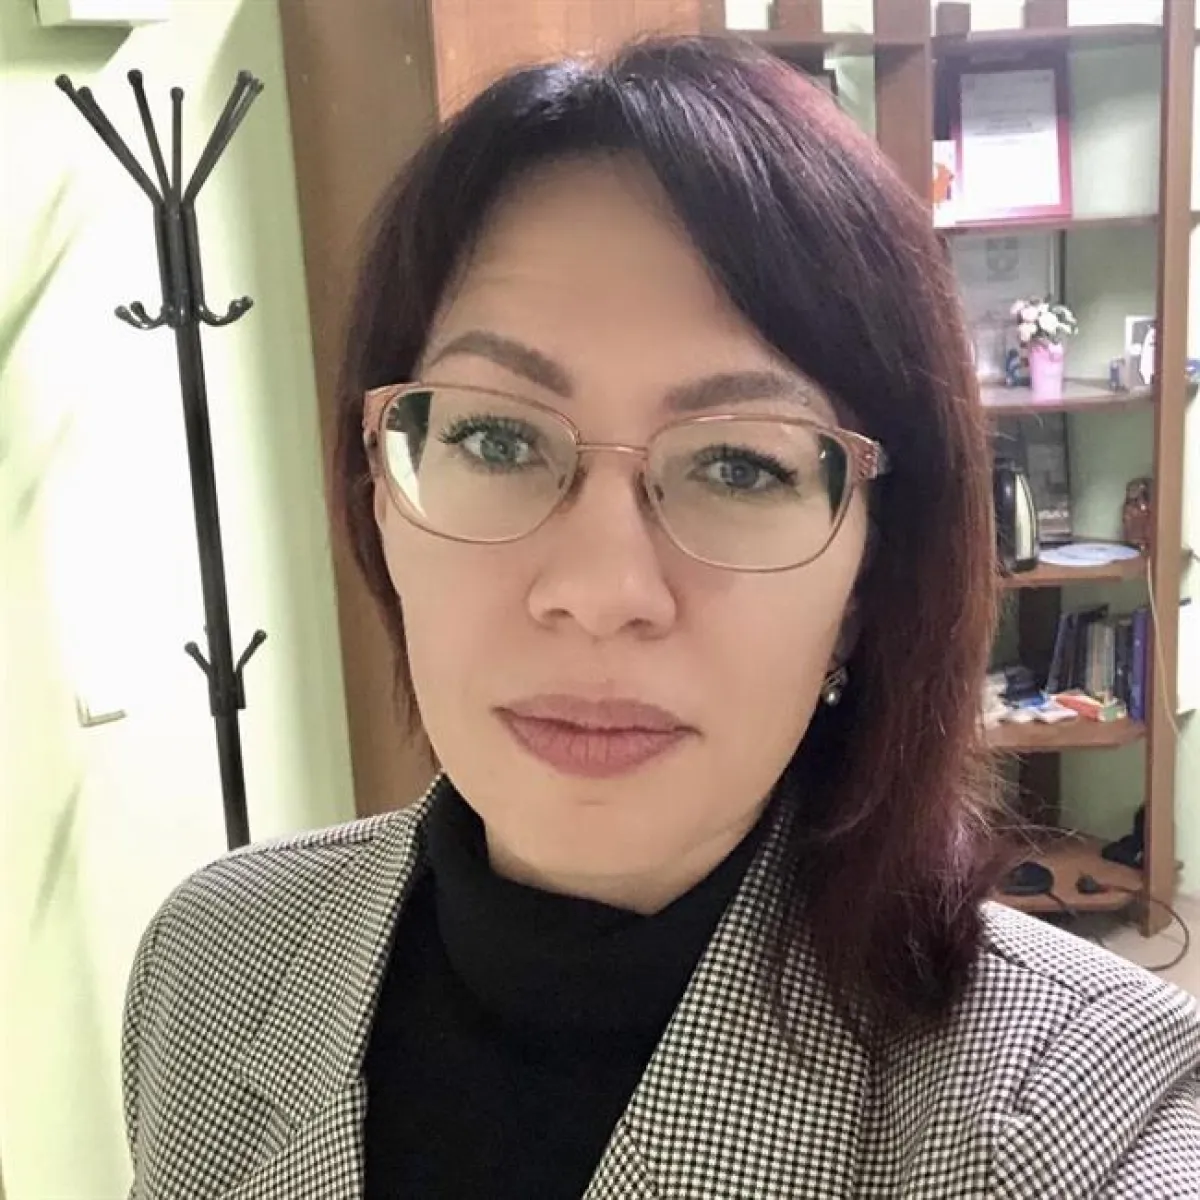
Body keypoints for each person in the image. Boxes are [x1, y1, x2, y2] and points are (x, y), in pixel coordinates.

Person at [121, 36, 1200, 1199]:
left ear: (866, 586)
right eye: (496, 438)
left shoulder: (1083, 1126)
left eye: (740, 465)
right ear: (377, 494)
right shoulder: (211, 964)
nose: (601, 592)